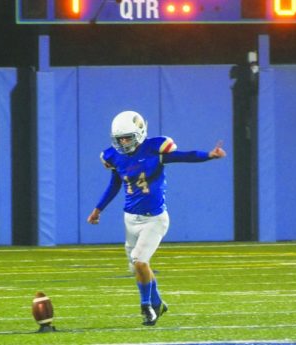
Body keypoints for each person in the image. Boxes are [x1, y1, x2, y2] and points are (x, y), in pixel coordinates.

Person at [87, 110, 226, 325]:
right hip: (130, 218)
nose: (124, 143)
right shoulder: (114, 157)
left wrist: (209, 155)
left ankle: (147, 308)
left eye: (127, 138)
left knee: (140, 262)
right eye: (120, 139)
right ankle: (158, 302)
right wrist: (98, 209)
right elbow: (115, 183)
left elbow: (184, 156)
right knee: (138, 268)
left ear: (140, 133)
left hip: (154, 219)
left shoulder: (154, 149)